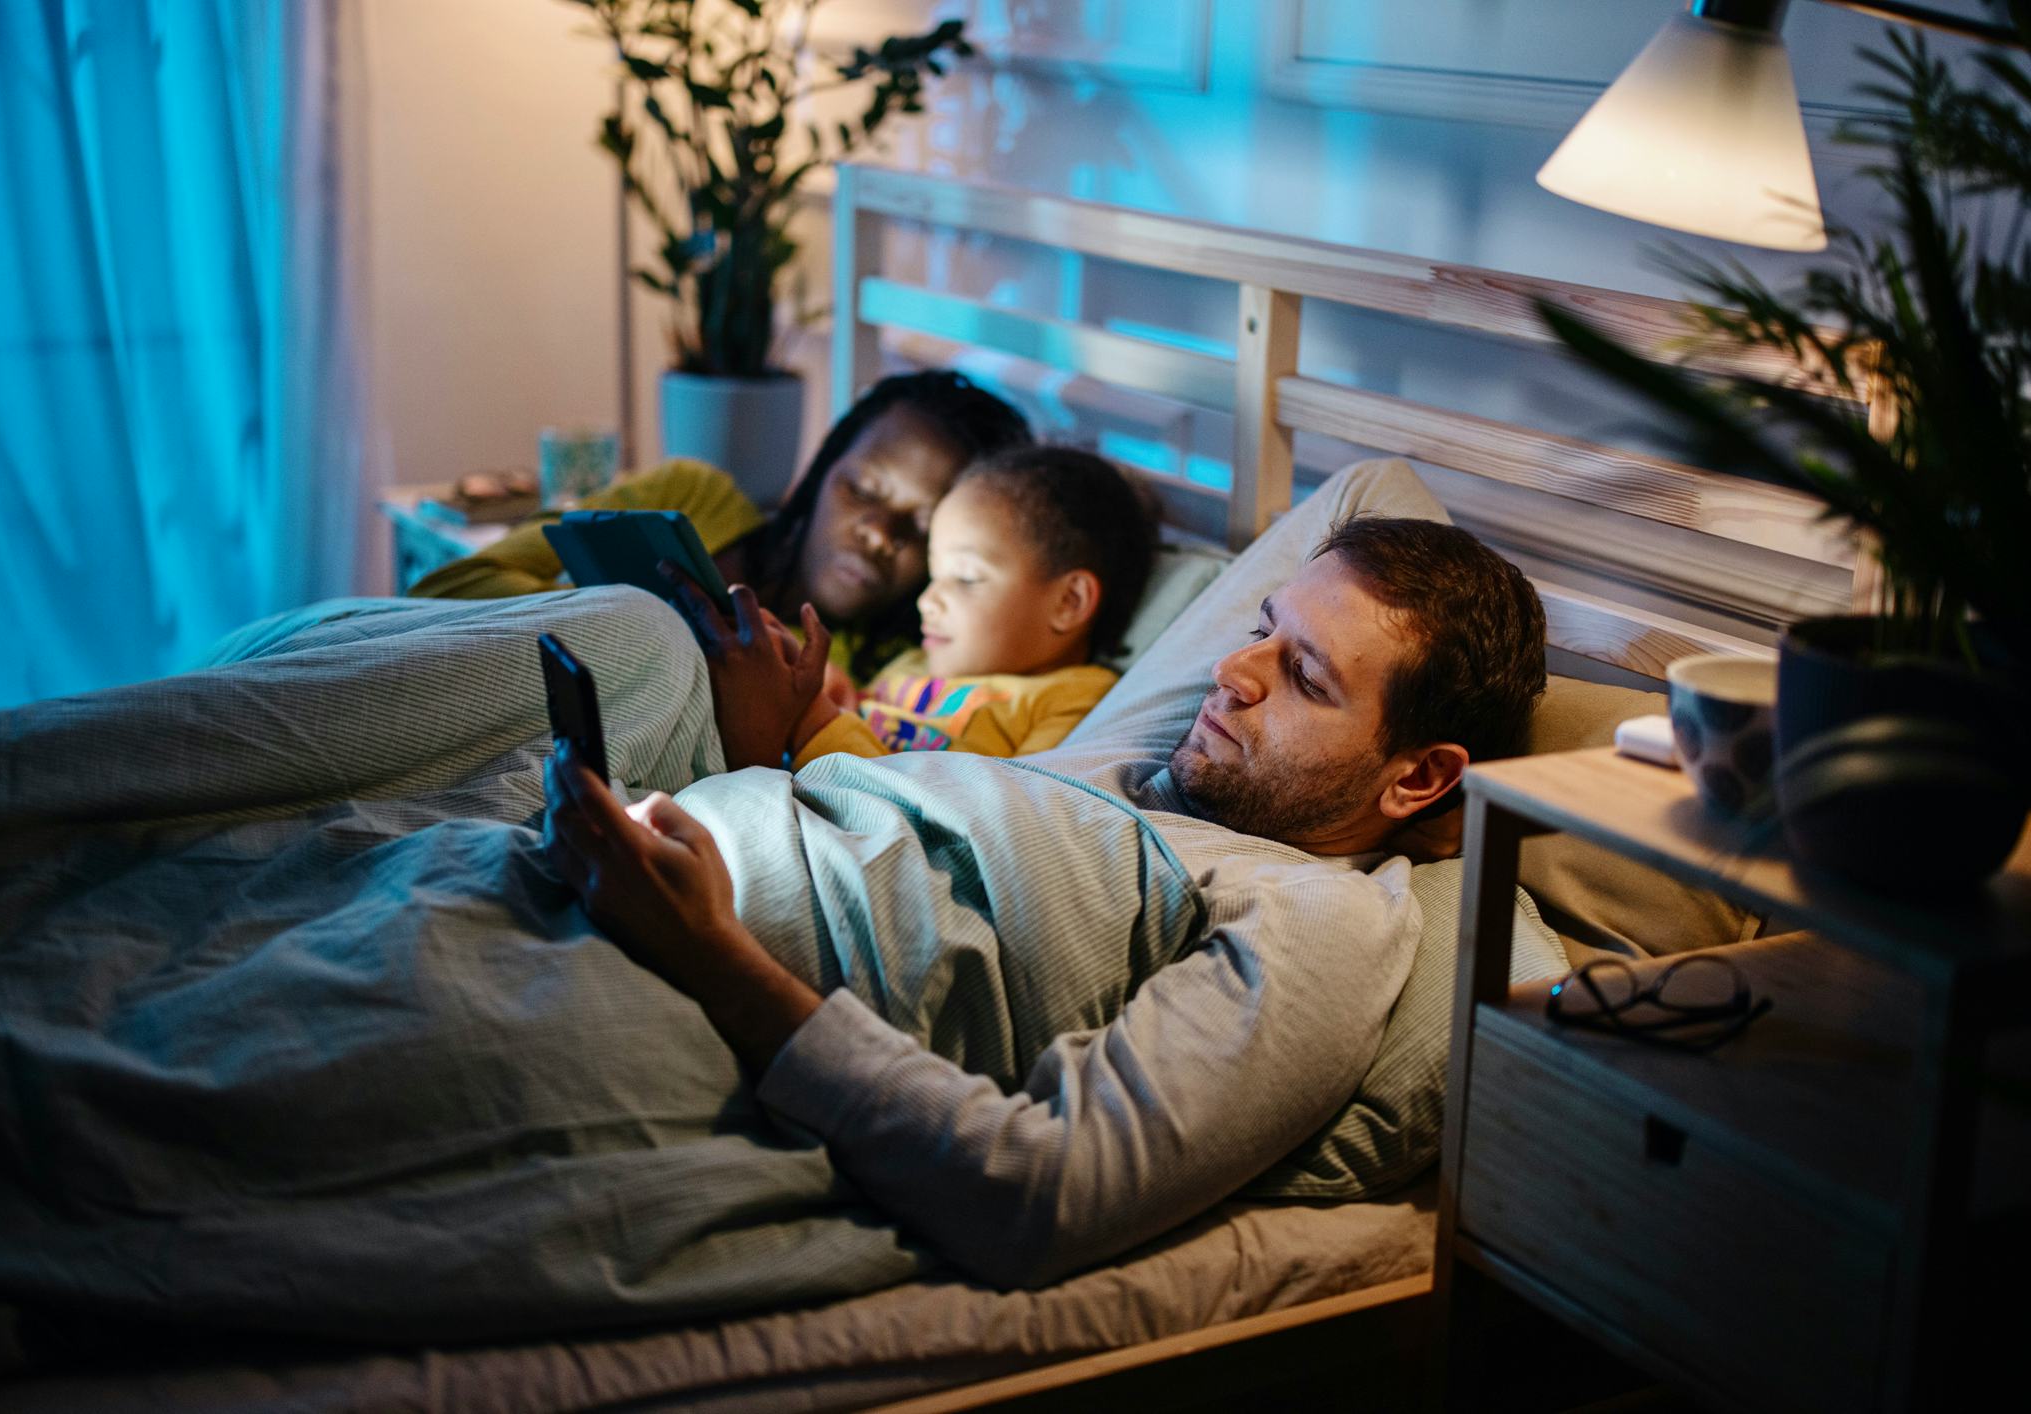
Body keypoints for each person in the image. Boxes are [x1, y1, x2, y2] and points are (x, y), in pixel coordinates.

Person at [543, 510, 1549, 1288]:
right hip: (629, 855)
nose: (1230, 672)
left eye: (1304, 678)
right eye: (1258, 629)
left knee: (620, 632)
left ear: (1417, 779)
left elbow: (1042, 1195)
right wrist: (770, 739)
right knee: (635, 631)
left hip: (662, 963)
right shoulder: (1149, 764)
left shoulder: (1322, 917)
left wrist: (705, 953)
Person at [410, 370, 1032, 677]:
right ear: (821, 471)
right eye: (863, 488)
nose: (878, 531)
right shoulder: (691, 498)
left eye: (921, 525)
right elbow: (444, 592)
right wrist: (632, 625)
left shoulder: (886, 676)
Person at [687, 444, 1158, 770]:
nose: (926, 600)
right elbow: (856, 728)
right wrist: (829, 691)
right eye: (933, 576)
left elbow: (992, 813)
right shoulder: (915, 663)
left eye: (966, 578)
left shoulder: (1076, 697)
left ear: (1068, 602)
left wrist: (811, 717)